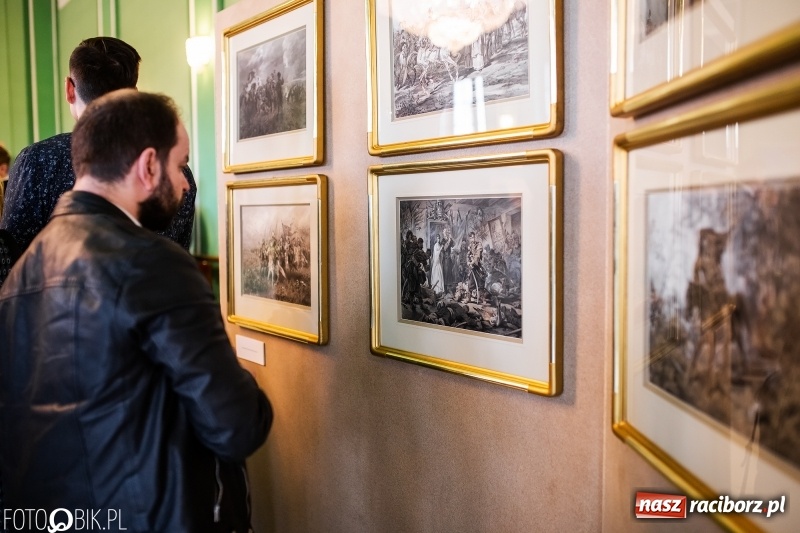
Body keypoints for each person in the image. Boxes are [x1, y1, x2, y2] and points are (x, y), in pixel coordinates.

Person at [0, 89, 272, 532]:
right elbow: (236, 426)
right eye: (180, 163)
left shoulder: (19, 274)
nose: (186, 182)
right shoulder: (155, 263)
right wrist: (246, 385)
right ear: (148, 165)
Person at [0, 36, 196, 257]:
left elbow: (11, 261)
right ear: (134, 93)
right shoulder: (177, 173)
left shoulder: (37, 160)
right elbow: (178, 258)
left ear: (69, 89)